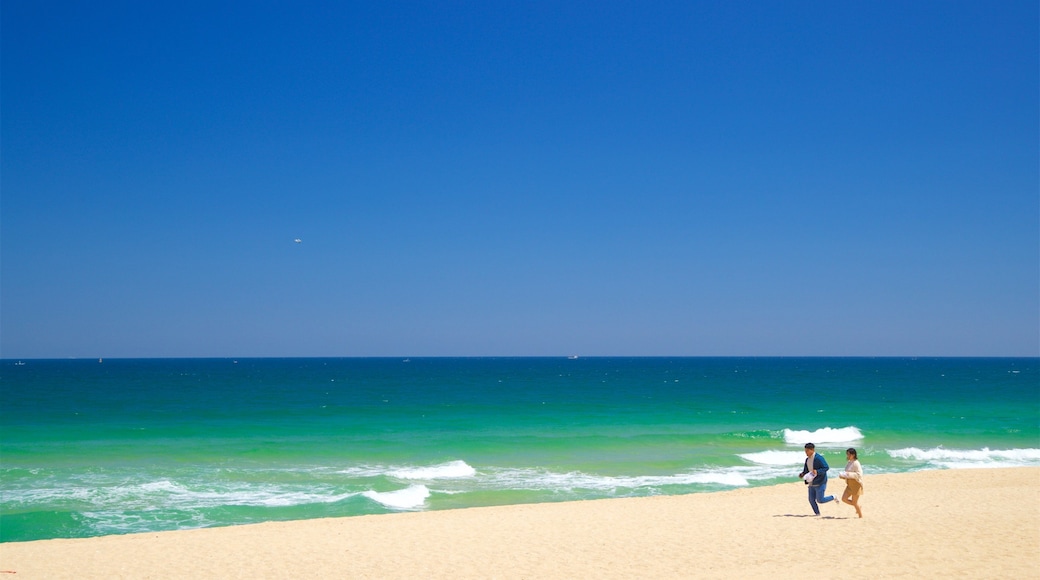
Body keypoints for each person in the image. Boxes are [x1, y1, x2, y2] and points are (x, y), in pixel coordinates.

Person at [798, 442, 835, 515]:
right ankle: (817, 514)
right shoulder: (807, 460)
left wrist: (817, 471)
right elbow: (806, 470)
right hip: (811, 482)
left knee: (820, 500)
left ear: (812, 450)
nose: (806, 453)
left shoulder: (819, 458)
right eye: (805, 451)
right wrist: (802, 474)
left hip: (820, 482)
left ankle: (833, 496)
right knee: (811, 500)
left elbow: (826, 467)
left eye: (807, 451)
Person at [838, 447, 864, 518]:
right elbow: (847, 474)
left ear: (853, 455)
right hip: (849, 484)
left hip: (856, 484)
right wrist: (843, 476)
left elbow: (859, 474)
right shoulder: (849, 463)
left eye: (849, 454)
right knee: (844, 499)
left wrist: (849, 474)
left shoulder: (856, 463)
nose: (847, 456)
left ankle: (860, 516)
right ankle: (858, 507)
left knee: (854, 502)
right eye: (847, 454)